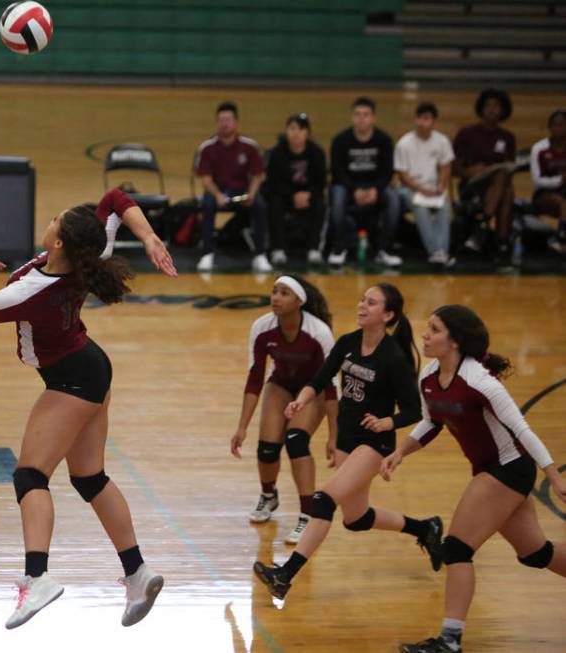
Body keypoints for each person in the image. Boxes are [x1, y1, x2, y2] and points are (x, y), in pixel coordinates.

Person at [0, 188, 176, 629]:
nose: (50, 220)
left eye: (54, 219)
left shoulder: (33, 290)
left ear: (57, 243)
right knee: (90, 478)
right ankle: (137, 572)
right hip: (90, 367)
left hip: (73, 379)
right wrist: (148, 237)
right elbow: (115, 198)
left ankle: (37, 578)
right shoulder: (89, 252)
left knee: (30, 475)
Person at [385, 305, 566, 653]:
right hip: (490, 469)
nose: (425, 334)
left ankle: (450, 642)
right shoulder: (430, 374)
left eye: (434, 329)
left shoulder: (480, 381)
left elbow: (521, 428)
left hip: (508, 469)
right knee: (535, 553)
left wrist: (554, 476)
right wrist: (400, 452)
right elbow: (430, 422)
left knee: (456, 548)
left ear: (455, 341)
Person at [252, 283, 443, 600]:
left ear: (388, 315)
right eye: (361, 300)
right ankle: (426, 529)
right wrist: (301, 400)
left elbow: (415, 410)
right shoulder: (349, 342)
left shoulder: (394, 357)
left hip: (374, 443)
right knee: (356, 518)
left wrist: (388, 422)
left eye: (371, 302)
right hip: (347, 437)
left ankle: (285, 575)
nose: (362, 305)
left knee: (323, 500)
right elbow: (320, 378)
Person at [230, 275, 338, 545]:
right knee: (267, 448)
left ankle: (307, 514)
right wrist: (242, 426)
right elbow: (255, 378)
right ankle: (269, 496)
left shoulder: (319, 332)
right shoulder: (262, 327)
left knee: (296, 441)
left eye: (284, 293)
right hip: (280, 385)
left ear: (300, 301)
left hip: (315, 389)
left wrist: (334, 436)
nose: (276, 297)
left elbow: (333, 385)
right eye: (274, 291)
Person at [328, 97, 403, 268]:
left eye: (366, 114)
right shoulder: (340, 140)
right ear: (352, 117)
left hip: (376, 187)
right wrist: (354, 190)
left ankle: (385, 249)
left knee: (393, 198)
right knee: (337, 195)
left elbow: (387, 171)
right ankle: (339, 248)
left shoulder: (384, 140)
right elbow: (337, 172)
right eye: (357, 114)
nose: (361, 118)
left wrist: (375, 190)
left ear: (373, 118)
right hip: (348, 187)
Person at [195, 101, 269, 272]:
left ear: (236, 123)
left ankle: (260, 255)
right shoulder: (207, 148)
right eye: (221, 120)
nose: (224, 124)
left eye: (228, 120)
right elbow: (205, 178)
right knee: (207, 204)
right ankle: (207, 254)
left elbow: (258, 175)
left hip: (242, 191)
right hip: (217, 191)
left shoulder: (249, 146)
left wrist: (251, 193)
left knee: (260, 204)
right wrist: (217, 194)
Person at [453, 88, 516, 264]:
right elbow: (454, 168)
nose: (491, 109)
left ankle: (485, 229)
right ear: (481, 108)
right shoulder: (467, 133)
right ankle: (501, 243)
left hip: (495, 188)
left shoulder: (508, 137)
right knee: (505, 189)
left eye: (496, 105)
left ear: (504, 110)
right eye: (488, 105)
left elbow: (510, 167)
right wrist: (469, 171)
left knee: (505, 185)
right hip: (471, 186)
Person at [394, 102, 456, 268]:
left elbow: (445, 166)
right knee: (419, 205)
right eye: (420, 118)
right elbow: (403, 175)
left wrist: (441, 185)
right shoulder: (404, 143)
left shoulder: (442, 141)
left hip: (433, 188)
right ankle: (436, 251)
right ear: (415, 120)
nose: (423, 122)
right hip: (409, 188)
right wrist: (421, 190)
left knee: (444, 205)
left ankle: (441, 252)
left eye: (427, 119)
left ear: (434, 122)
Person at [264, 113, 327, 266]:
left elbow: (321, 181)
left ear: (307, 133)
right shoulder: (277, 153)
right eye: (292, 128)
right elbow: (273, 182)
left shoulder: (317, 153)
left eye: (300, 129)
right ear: (286, 131)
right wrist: (292, 196)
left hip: (309, 196)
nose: (296, 133)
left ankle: (314, 249)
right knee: (274, 203)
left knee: (320, 203)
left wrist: (308, 194)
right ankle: (277, 249)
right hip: (284, 196)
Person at [529, 109, 566, 253]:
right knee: (564, 203)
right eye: (556, 125)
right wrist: (560, 180)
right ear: (550, 127)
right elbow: (536, 181)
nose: (559, 128)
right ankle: (561, 237)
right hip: (544, 194)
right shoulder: (539, 149)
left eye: (563, 125)